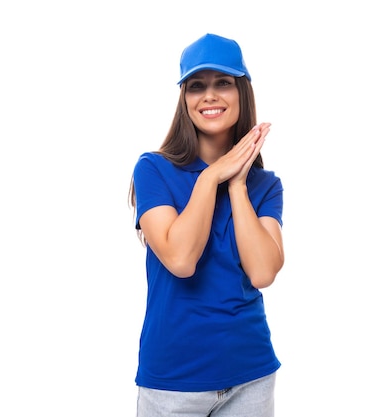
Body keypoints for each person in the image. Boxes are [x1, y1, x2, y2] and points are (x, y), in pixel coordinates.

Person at [128, 33, 285, 417]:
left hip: (251, 375)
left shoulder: (265, 186)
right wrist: (210, 176)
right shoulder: (154, 170)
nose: (210, 96)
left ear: (241, 93)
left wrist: (235, 184)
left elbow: (263, 271)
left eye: (223, 84)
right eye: (196, 86)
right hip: (173, 382)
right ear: (184, 100)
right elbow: (181, 259)